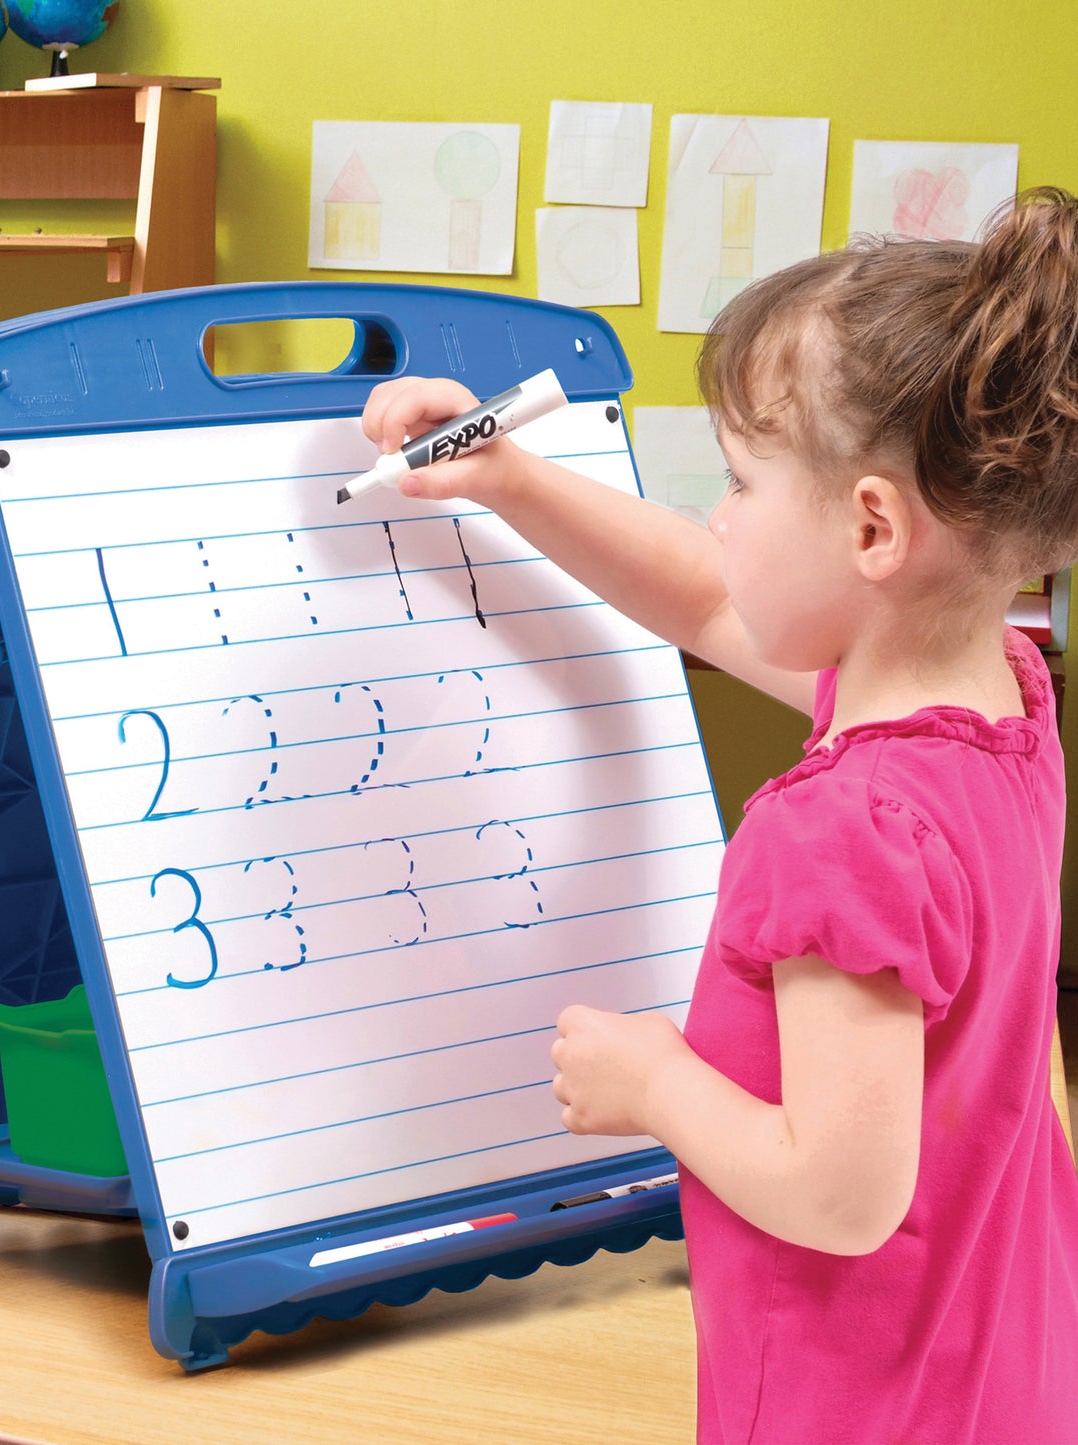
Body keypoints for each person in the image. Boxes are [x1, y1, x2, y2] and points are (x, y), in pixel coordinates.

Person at [360, 186, 1078, 1444]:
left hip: (855, 1400)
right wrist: (513, 479)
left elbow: (840, 1189)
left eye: (739, 481)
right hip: (1000, 1358)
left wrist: (651, 1083)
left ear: (869, 526)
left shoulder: (838, 829)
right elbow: (703, 600)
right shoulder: (999, 702)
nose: (716, 513)